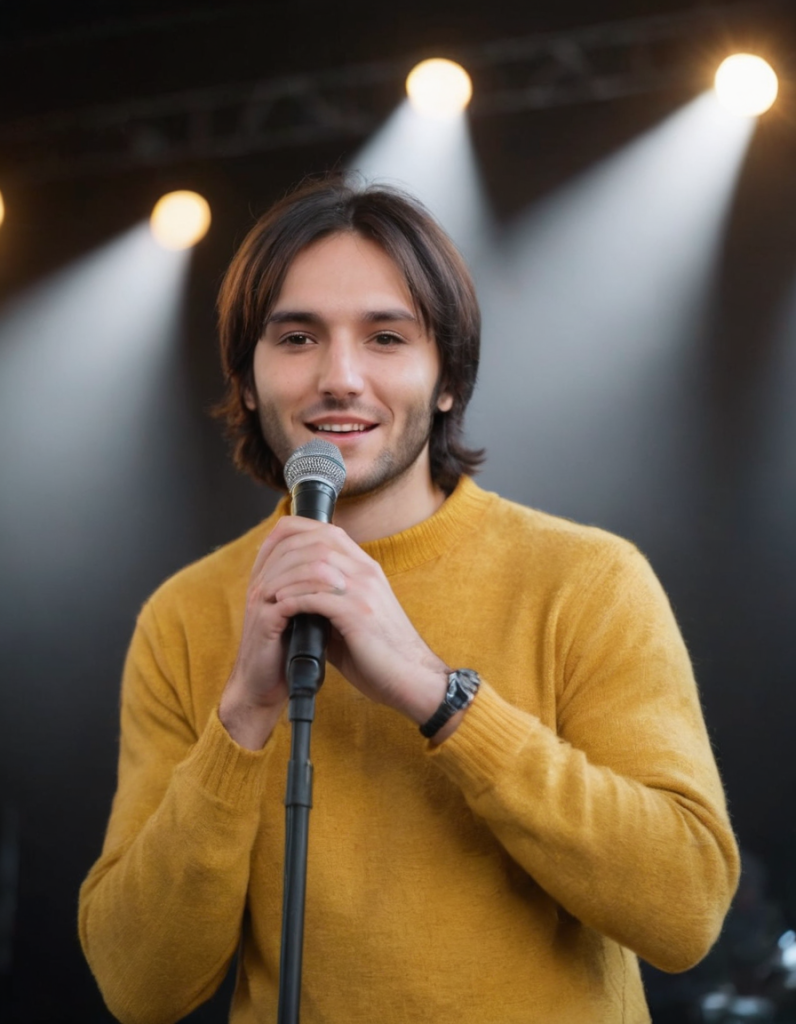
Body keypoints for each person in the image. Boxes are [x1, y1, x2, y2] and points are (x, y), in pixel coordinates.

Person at [79, 176, 739, 1024]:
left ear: (448, 380)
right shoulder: (185, 616)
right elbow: (141, 988)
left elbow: (683, 913)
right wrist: (242, 714)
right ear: (247, 379)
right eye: (296, 337)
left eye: (387, 337)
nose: (339, 378)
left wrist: (438, 694)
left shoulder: (588, 580)